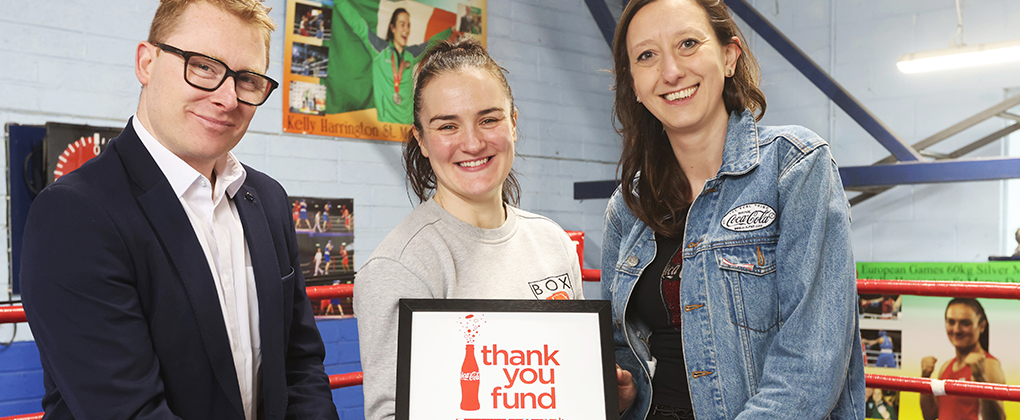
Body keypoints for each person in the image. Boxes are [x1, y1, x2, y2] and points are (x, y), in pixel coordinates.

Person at [19, 1, 338, 419]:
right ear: (146, 62)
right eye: (203, 66)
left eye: (246, 79)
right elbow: (127, 411)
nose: (227, 98)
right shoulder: (74, 214)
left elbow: (300, 366)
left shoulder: (268, 199)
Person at [602, 0, 865, 418]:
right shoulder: (628, 206)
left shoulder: (795, 167)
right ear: (633, 83)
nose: (670, 71)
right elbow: (623, 346)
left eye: (688, 43)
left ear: (729, 55)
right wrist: (623, 387)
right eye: (647, 55)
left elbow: (813, 361)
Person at [353, 36, 583, 420]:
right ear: (421, 140)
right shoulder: (400, 267)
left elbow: (565, 382)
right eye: (447, 126)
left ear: (513, 123)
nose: (473, 142)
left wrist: (602, 392)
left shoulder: (553, 243)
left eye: (489, 119)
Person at [335, 1, 452, 124]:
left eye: (408, 25)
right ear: (393, 28)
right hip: (386, 126)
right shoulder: (379, 49)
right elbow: (358, 24)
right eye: (402, 24)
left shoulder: (411, 54)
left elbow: (431, 43)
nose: (406, 30)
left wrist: (450, 29)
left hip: (408, 124)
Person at [920, 298, 1005, 420]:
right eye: (951, 322)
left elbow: (998, 419)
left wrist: (981, 379)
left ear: (982, 326)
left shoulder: (989, 366)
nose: (956, 329)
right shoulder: (946, 367)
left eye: (965, 323)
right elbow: (930, 415)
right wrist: (925, 379)